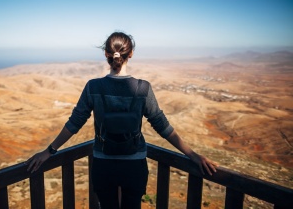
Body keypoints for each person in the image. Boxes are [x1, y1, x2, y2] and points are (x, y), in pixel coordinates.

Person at [26, 32, 218, 209]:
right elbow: (162, 125)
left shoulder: (93, 86)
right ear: (131, 54)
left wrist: (49, 151)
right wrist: (193, 155)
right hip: (134, 164)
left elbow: (74, 123)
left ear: (106, 54)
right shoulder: (143, 89)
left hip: (103, 163)